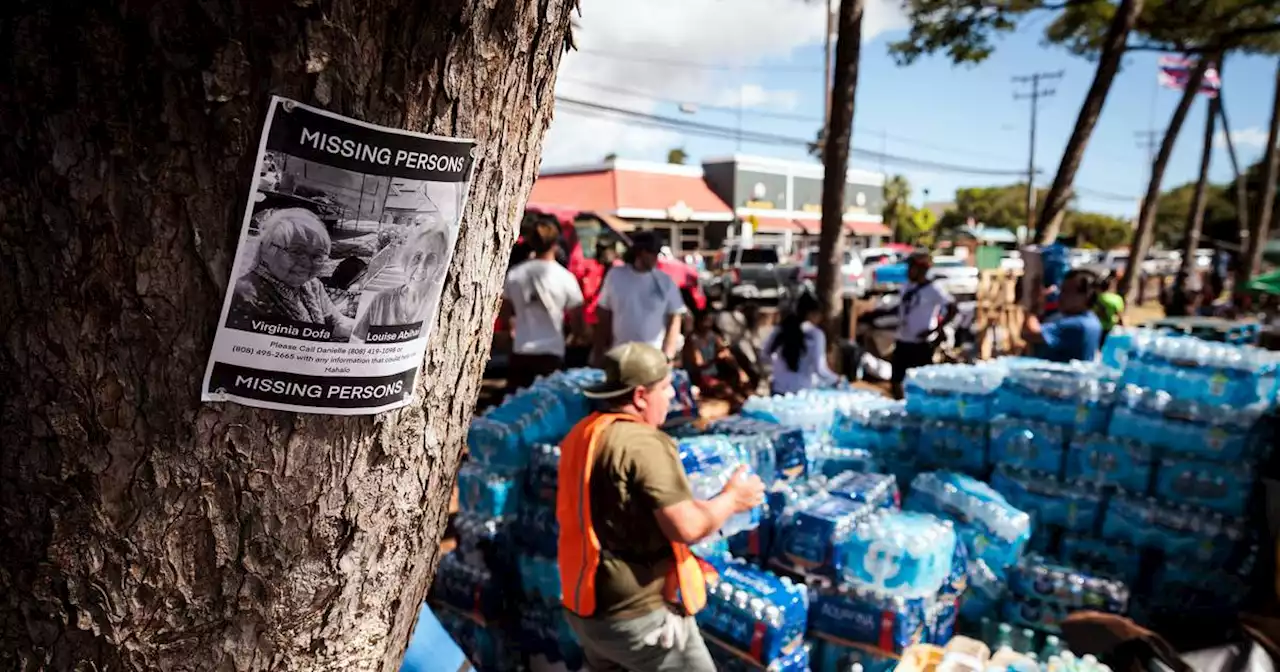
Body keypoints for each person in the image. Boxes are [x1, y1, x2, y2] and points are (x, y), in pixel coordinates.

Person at [558, 343, 765, 672]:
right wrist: (733, 499)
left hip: (586, 611)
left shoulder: (581, 435)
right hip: (639, 619)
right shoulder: (643, 443)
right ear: (640, 396)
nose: (672, 395)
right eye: (666, 387)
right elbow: (687, 527)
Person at [227, 207, 354, 340]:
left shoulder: (312, 285)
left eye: (317, 256)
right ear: (266, 249)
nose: (307, 263)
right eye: (297, 252)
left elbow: (337, 322)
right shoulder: (246, 293)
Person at [500, 217, 585, 393]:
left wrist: (511, 332)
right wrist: (575, 336)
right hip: (551, 352)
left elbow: (505, 311)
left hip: (521, 350)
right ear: (556, 244)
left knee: (515, 407)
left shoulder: (515, 274)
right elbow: (577, 318)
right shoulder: (565, 277)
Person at [594, 231, 686, 363]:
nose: (655, 257)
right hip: (620, 356)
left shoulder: (665, 282)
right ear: (639, 252)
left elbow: (675, 318)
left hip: (652, 360)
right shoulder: (615, 276)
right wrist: (599, 350)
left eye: (656, 253)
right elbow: (604, 314)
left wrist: (668, 355)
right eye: (651, 252)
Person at [352, 227, 449, 341]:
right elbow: (358, 340)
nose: (421, 268)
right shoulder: (382, 300)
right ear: (406, 261)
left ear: (439, 266)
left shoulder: (443, 299)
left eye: (431, 259)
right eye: (417, 257)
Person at [891, 252, 956, 399]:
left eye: (911, 268)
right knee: (896, 380)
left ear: (921, 270)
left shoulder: (934, 289)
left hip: (921, 344)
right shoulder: (906, 286)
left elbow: (952, 308)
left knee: (922, 381)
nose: (908, 272)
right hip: (902, 340)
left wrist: (936, 329)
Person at [763, 291, 840, 395]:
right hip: (801, 393)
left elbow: (764, 356)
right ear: (812, 313)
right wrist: (836, 380)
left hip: (778, 390)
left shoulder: (779, 330)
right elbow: (820, 369)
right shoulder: (815, 334)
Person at [1023, 268, 1104, 363]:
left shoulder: (1078, 325)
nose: (1060, 296)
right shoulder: (1091, 319)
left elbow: (1030, 333)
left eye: (1066, 291)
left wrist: (1034, 305)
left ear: (1086, 296)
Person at [682, 309, 752, 409]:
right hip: (698, 378)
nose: (707, 324)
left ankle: (752, 402)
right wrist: (716, 359)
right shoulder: (692, 340)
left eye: (709, 321)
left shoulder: (713, 336)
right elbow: (699, 365)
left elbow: (727, 354)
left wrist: (741, 372)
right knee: (725, 390)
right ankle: (743, 406)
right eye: (704, 321)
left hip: (713, 375)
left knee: (744, 383)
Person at [1094, 272, 1125, 339]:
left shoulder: (1096, 297)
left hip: (1095, 326)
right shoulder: (1116, 299)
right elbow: (1120, 315)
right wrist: (1124, 328)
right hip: (1110, 328)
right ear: (1112, 286)